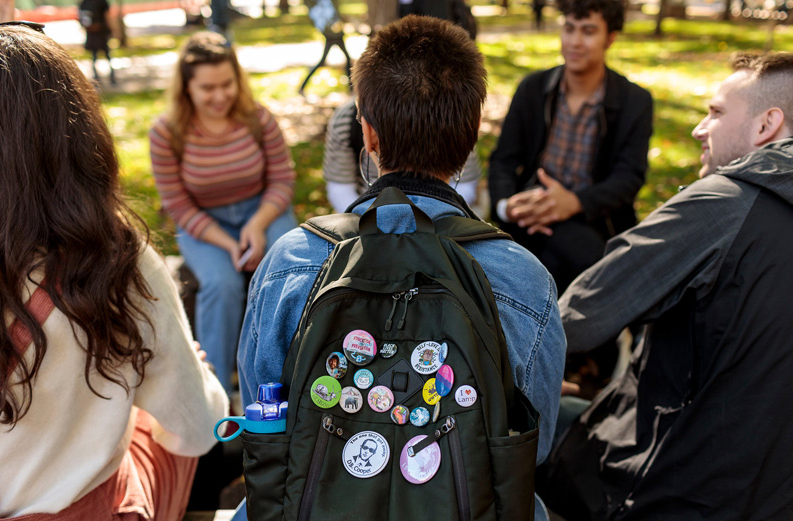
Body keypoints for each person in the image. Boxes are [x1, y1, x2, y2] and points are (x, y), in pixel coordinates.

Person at [238, 16, 565, 519]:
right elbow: (530, 450)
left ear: (367, 134)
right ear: (472, 134)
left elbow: (265, 422)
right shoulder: (522, 276)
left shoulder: (293, 260)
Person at [542, 52, 793, 520]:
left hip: (662, 489)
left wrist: (515, 371)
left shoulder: (724, 203)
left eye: (715, 113)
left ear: (767, 126)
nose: (700, 129)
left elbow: (572, 320)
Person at [0, 24, 228, 520]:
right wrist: (196, 374)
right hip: (89, 507)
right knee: (155, 417)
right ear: (78, 136)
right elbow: (197, 427)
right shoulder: (120, 257)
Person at [149, 31, 297, 395]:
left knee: (288, 270)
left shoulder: (258, 119)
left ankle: (292, 371)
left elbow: (282, 180)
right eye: (207, 88)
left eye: (227, 84)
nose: (219, 96)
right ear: (187, 89)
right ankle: (214, 390)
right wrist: (228, 244)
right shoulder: (167, 133)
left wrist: (258, 225)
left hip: (264, 209)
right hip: (203, 224)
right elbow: (178, 205)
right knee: (220, 283)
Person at [488, 0, 653, 296]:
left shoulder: (634, 102)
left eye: (588, 31)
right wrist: (507, 206)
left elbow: (629, 178)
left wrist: (574, 203)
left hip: (593, 221)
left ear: (610, 38)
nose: (575, 42)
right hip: (529, 215)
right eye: (569, 29)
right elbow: (503, 160)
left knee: (563, 264)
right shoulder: (533, 89)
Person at [322, 97, 484, 212]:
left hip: (446, 216)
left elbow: (466, 184)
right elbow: (340, 187)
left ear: (368, 131)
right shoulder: (347, 118)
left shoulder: (455, 111)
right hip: (365, 215)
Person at [78, 0, 116, 83]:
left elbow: (81, 18)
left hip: (96, 32)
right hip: (98, 32)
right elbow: (107, 16)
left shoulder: (85, 3)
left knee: (97, 56)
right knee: (103, 55)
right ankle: (108, 77)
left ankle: (99, 78)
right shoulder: (91, 2)